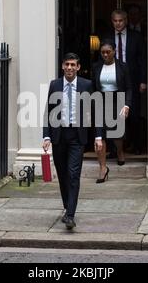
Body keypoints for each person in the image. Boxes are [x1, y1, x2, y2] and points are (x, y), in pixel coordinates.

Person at [43, 53, 103, 230]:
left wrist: (98, 136)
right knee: (63, 175)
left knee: (73, 174)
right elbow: (48, 112)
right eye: (67, 64)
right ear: (62, 66)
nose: (69, 68)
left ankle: (70, 215)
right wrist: (46, 136)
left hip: (77, 137)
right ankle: (67, 207)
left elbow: (96, 111)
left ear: (78, 67)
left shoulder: (86, 85)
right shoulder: (55, 84)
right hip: (59, 136)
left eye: (73, 65)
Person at [92, 40, 132, 183]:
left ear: (114, 51)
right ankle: (103, 168)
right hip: (101, 100)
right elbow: (93, 86)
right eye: (102, 52)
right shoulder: (96, 66)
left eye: (108, 52)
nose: (105, 55)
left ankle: (119, 151)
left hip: (118, 99)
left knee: (117, 132)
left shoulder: (122, 66)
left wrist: (127, 105)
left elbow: (128, 87)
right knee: (99, 134)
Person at [108, 10, 147, 155]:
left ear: (126, 20)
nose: (118, 23)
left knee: (134, 114)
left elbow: (142, 60)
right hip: (112, 78)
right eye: (115, 21)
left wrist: (143, 81)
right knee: (112, 114)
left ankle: (136, 146)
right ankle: (114, 149)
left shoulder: (136, 37)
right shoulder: (106, 36)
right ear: (112, 21)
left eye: (121, 20)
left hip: (132, 79)